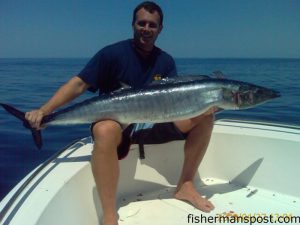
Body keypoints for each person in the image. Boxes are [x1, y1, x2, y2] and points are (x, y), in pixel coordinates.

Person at [25, 1, 215, 225]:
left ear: (160, 29)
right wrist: (44, 111)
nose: (146, 28)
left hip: (151, 123)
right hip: (116, 123)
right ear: (133, 25)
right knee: (104, 129)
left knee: (206, 114)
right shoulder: (111, 54)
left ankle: (185, 186)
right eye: (141, 23)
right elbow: (78, 85)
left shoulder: (165, 61)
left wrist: (202, 104)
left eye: (152, 25)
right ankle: (108, 214)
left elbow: (173, 98)